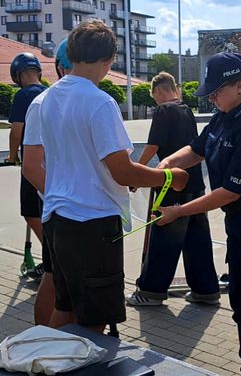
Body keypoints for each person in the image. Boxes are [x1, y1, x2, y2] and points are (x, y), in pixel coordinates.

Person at [39, 20, 188, 333]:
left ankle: (46, 358)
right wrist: (169, 177)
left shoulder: (51, 97)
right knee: (93, 322)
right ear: (109, 61)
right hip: (91, 222)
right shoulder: (100, 102)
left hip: (56, 216)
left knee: (65, 307)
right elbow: (121, 171)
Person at [156, 52, 241, 376]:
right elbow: (196, 149)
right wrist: (167, 164)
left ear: (238, 86)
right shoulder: (223, 116)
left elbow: (231, 191)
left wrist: (179, 212)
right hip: (239, 224)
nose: (213, 97)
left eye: (217, 90)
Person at [126, 71, 220, 306]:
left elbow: (153, 145)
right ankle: (205, 289)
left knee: (164, 237)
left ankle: (151, 291)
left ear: (158, 92)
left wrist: (137, 172)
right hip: (194, 182)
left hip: (171, 182)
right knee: (196, 239)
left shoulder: (162, 111)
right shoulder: (186, 110)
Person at [22, 38, 72, 325]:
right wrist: (60, 201)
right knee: (58, 279)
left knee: (57, 277)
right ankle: (43, 340)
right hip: (61, 208)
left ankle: (46, 341)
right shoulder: (44, 103)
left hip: (64, 206)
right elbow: (32, 166)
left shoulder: (69, 102)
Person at [7, 53, 47, 281]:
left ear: (17, 75)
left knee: (31, 213)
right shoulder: (49, 93)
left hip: (32, 162)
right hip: (51, 161)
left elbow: (16, 131)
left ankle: (53, 255)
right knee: (46, 210)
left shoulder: (23, 95)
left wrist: (13, 156)